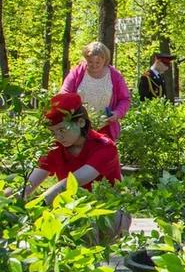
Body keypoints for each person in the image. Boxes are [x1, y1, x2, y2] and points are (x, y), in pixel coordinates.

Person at [23, 92, 130, 236]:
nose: (58, 137)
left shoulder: (105, 146)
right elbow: (28, 184)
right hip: (71, 211)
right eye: (53, 132)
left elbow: (73, 182)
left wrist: (36, 206)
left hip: (107, 212)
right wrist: (7, 202)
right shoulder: (54, 148)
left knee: (89, 226)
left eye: (62, 129)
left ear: (81, 122)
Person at [62, 41, 131, 141]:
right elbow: (64, 93)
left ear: (105, 60)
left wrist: (116, 113)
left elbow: (124, 99)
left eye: (98, 62)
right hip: (78, 126)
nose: (94, 65)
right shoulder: (77, 72)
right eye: (90, 62)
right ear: (86, 59)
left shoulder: (115, 76)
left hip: (105, 127)